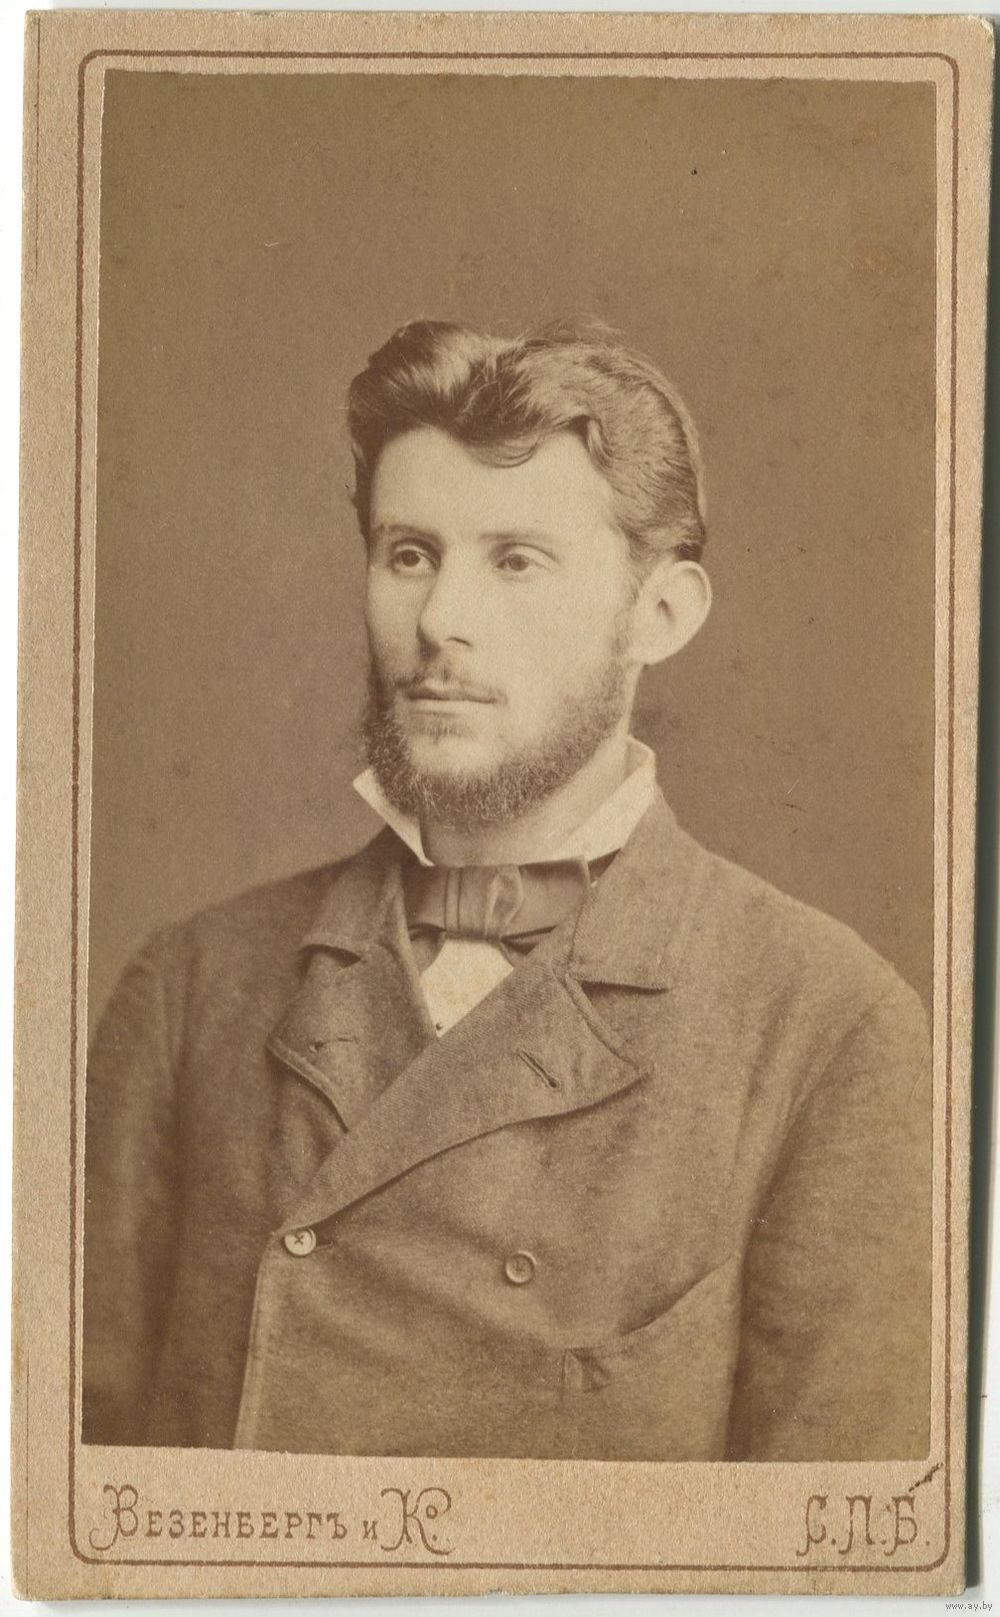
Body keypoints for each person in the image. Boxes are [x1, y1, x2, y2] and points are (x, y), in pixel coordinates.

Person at [83, 317, 931, 1460]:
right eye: (409, 554)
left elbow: (836, 1535)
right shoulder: (190, 990)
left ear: (660, 614)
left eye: (516, 561)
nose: (441, 622)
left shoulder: (826, 1029)